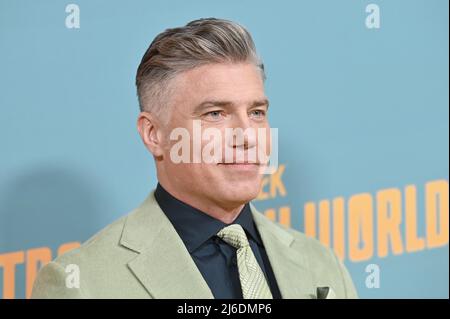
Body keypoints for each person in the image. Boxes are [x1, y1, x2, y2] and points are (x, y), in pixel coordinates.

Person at [31, 17, 357, 299]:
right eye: (216, 113)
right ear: (154, 135)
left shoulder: (321, 263)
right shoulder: (81, 284)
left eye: (257, 112)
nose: (247, 136)